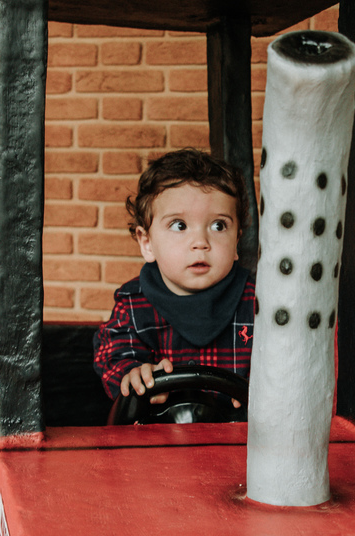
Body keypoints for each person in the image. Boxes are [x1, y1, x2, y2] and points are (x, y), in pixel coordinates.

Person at [93, 149, 256, 406]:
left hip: (238, 440)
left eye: (219, 226)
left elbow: (284, 365)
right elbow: (114, 355)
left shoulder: (257, 303)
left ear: (237, 241)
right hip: (159, 440)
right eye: (179, 225)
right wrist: (133, 373)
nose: (201, 242)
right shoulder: (133, 305)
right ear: (147, 243)